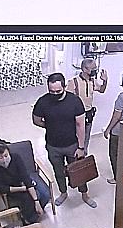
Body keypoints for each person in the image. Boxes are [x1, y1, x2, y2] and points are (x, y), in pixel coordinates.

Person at [32, 72, 96, 209]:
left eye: (58, 91)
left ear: (65, 86)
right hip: (53, 146)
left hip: (72, 145)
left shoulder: (74, 101)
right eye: (51, 91)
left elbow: (80, 125)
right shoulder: (43, 101)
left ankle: (84, 194)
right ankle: (63, 193)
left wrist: (81, 147)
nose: (54, 94)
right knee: (58, 171)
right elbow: (36, 120)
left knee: (79, 171)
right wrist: (49, 125)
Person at [0, 140, 50, 225]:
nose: (4, 160)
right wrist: (22, 188)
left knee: (45, 194)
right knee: (29, 197)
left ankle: (36, 210)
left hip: (22, 181)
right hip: (12, 189)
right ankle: (29, 220)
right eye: (0, 158)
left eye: (6, 156)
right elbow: (2, 188)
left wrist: (36, 202)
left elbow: (26, 178)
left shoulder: (16, 158)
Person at [72, 55, 109, 143]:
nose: (95, 71)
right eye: (93, 68)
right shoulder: (74, 82)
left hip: (88, 114)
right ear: (85, 69)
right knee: (75, 139)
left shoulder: (92, 81)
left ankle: (84, 155)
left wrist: (105, 81)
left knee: (86, 139)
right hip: (76, 115)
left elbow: (102, 90)